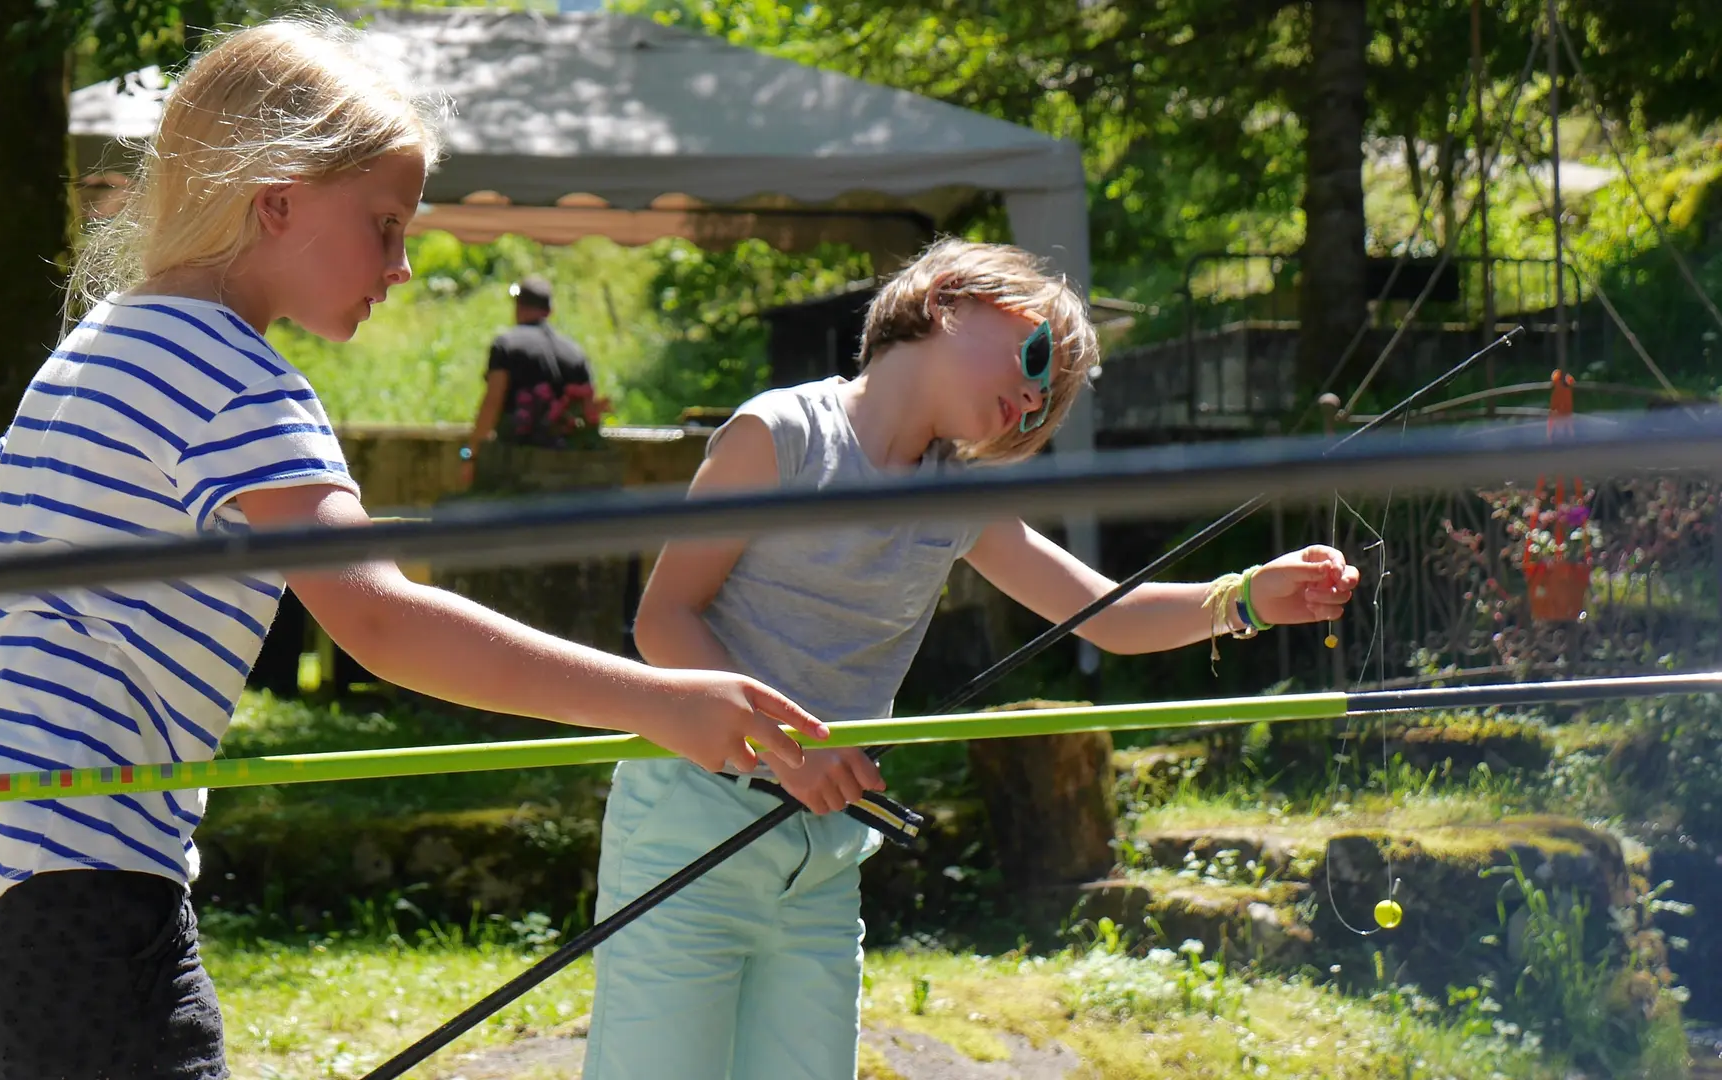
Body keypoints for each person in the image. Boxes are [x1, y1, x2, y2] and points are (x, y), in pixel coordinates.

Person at [0, 17, 827, 1080]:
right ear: (278, 199)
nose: (401, 266)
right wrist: (660, 701)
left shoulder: (98, 348)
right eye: (384, 225)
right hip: (63, 856)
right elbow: (379, 621)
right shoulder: (241, 381)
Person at [582, 238, 1363, 1080]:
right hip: (689, 826)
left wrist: (1245, 598)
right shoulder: (779, 436)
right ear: (949, 298)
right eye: (1036, 359)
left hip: (821, 859)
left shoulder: (958, 496)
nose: (1031, 400)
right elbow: (664, 620)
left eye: (1044, 405)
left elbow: (1109, 617)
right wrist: (791, 749)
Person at [459, 274, 595, 487]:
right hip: (565, 469)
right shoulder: (575, 352)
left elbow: (492, 403)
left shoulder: (506, 345)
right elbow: (589, 413)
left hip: (516, 465)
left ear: (518, 307)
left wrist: (470, 455)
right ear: (549, 310)